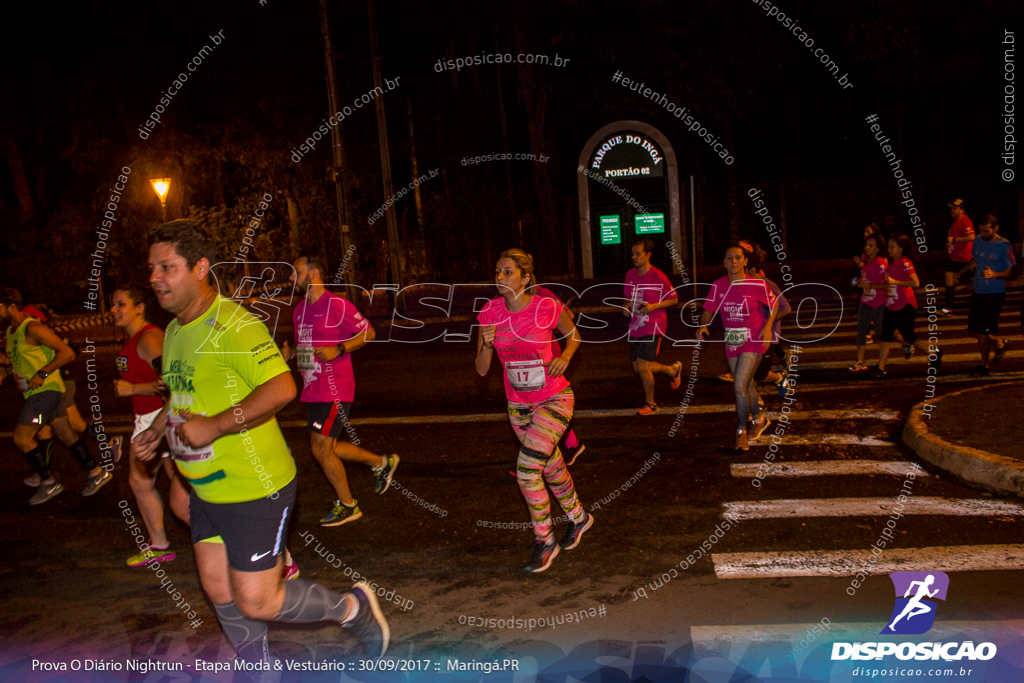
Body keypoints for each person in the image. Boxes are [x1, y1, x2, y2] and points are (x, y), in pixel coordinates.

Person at [134, 221, 388, 663]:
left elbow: (281, 387)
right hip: (206, 489)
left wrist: (214, 426)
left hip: (255, 488)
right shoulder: (175, 331)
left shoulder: (232, 325)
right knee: (218, 590)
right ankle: (260, 671)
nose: (154, 277)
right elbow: (181, 397)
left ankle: (354, 608)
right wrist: (157, 430)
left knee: (258, 600)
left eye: (167, 267)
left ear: (199, 268)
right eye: (152, 268)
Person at [476, 249, 593, 573]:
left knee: (528, 471)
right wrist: (486, 344)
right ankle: (580, 518)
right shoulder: (489, 313)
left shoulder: (545, 306)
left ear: (525, 278)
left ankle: (545, 541)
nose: (500, 277)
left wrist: (566, 356)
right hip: (519, 407)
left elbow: (574, 336)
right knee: (552, 468)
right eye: (498, 272)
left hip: (554, 398)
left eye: (508, 272)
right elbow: (482, 370)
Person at [281, 255, 398, 528]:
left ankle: (348, 505)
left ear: (314, 274)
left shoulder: (336, 304)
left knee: (320, 448)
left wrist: (340, 348)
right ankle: (382, 462)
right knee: (328, 447)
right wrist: (292, 354)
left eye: (296, 272)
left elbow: (368, 333)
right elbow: (308, 347)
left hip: (335, 387)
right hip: (312, 389)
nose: (291, 278)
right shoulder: (299, 311)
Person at [0, 289, 112, 504]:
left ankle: (49, 482)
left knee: (22, 438)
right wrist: (5, 373)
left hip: (44, 395)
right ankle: (97, 473)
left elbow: (67, 353)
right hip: (38, 395)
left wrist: (42, 374)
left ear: (10, 306)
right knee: (65, 432)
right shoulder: (12, 331)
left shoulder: (32, 327)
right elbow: (22, 362)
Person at [112, 284, 190, 566]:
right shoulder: (134, 340)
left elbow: (174, 385)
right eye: (113, 305)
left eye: (121, 304)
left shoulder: (150, 339)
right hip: (149, 418)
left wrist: (132, 390)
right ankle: (160, 544)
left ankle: (242, 543)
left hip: (161, 418)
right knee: (171, 487)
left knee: (178, 495)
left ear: (139, 308)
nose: (114, 310)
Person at [697, 243, 780, 452]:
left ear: (744, 261)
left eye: (737, 258)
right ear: (724, 262)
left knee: (739, 386)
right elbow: (708, 309)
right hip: (732, 341)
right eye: (729, 258)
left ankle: (741, 432)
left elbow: (775, 303)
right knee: (747, 385)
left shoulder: (756, 284)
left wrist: (768, 328)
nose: (733, 261)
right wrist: (703, 325)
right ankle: (760, 418)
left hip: (754, 340)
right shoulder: (719, 286)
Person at [623, 239, 682, 415]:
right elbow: (627, 298)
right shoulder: (630, 275)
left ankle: (651, 404)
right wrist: (626, 307)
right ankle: (672, 370)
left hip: (654, 326)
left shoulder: (658, 276)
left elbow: (674, 298)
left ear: (648, 255)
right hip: (636, 326)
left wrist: (654, 306)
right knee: (637, 367)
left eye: (638, 253)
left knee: (642, 366)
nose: (634, 257)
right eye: (633, 254)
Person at [872, 234, 941, 377]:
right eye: (889, 247)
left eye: (893, 247)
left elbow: (915, 283)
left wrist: (895, 282)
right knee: (885, 336)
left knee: (909, 335)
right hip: (891, 304)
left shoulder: (905, 262)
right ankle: (881, 367)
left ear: (901, 249)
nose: (889, 250)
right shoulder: (890, 263)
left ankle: (934, 352)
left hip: (905, 304)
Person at [956, 215, 1016, 376]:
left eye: (987, 231)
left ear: (996, 229)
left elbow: (1009, 270)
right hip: (978, 291)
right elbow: (975, 260)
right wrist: (961, 273)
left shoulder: (1004, 245)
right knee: (975, 329)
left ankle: (984, 364)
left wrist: (995, 274)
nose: (983, 234)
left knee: (983, 331)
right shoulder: (978, 240)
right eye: (981, 230)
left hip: (994, 293)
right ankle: (999, 342)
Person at [743, 242, 793, 399]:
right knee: (748, 371)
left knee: (760, 374)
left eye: (744, 270)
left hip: (768, 337)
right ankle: (755, 403)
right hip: (751, 336)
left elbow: (786, 308)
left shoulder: (768, 285)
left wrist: (767, 323)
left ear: (752, 270)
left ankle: (779, 378)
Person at [849, 233, 888, 372]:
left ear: (878, 249)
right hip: (865, 300)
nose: (867, 248)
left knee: (880, 330)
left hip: (879, 301)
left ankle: (905, 341)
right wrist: (856, 281)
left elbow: (888, 285)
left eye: (871, 245)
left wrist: (870, 286)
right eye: (866, 245)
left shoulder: (881, 263)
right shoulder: (865, 259)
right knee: (861, 329)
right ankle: (860, 361)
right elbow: (864, 277)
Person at [940, 198, 974, 315]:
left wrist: (954, 240)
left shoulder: (965, 221)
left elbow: (971, 237)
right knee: (949, 281)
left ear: (962, 210)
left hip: (965, 258)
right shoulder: (955, 223)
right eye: (952, 208)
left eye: (955, 208)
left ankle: (977, 306)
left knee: (974, 283)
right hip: (953, 257)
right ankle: (948, 307)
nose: (952, 210)